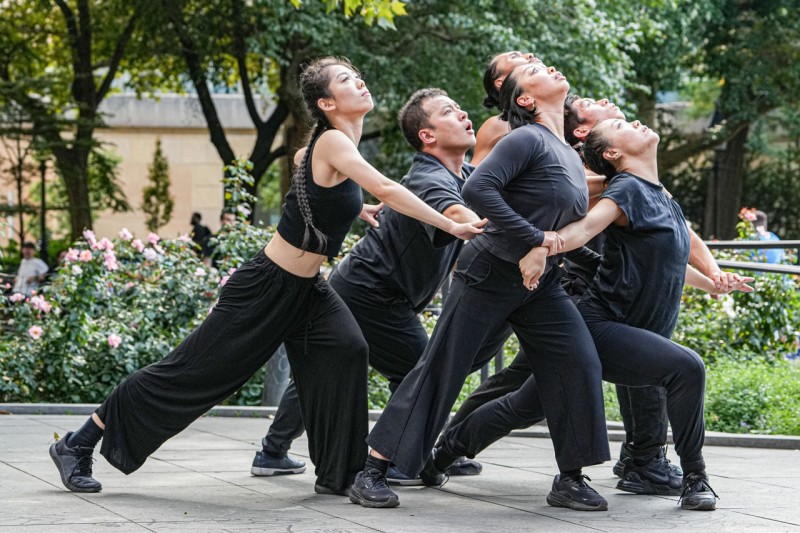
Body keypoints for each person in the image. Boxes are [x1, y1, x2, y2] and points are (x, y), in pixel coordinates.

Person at [48, 56, 484, 497]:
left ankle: (345, 474)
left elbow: (304, 161)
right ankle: (77, 442)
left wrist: (353, 207)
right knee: (193, 372)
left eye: (358, 77)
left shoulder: (330, 142)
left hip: (307, 290)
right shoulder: (335, 142)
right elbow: (388, 189)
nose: (361, 83)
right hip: (267, 286)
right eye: (348, 81)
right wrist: (451, 225)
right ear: (328, 102)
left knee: (348, 350)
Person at [429, 117, 754, 512]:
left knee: (526, 404)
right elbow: (581, 231)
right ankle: (696, 478)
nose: (635, 120)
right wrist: (541, 247)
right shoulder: (625, 191)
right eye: (622, 124)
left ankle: (444, 451)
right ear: (614, 153)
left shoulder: (661, 194)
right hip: (601, 326)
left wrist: (713, 280)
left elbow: (668, 260)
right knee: (687, 368)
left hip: (629, 331)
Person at [349, 63, 611, 510]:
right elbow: (479, 191)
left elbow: (559, 229)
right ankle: (372, 471)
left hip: (539, 283)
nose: (548, 66)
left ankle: (570, 478)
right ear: (525, 99)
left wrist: (600, 267)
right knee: (440, 368)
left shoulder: (565, 151)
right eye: (535, 70)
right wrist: (534, 239)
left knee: (577, 362)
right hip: (489, 271)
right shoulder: (525, 138)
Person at [251, 88, 500, 483]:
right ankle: (403, 458)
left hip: (371, 289)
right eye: (450, 111)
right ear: (427, 136)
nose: (463, 113)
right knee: (425, 372)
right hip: (372, 293)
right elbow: (456, 213)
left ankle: (271, 451)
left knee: (326, 369)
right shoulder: (428, 177)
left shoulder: (464, 176)